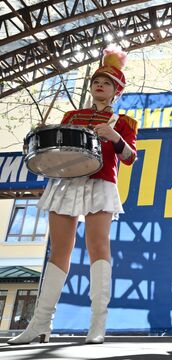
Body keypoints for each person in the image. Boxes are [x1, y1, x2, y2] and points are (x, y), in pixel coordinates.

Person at [8, 45, 138, 345]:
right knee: (59, 252)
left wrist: (115, 138)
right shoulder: (72, 116)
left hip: (100, 183)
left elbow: (131, 157)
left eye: (107, 82)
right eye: (96, 81)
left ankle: (97, 324)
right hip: (67, 183)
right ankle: (40, 324)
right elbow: (58, 151)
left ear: (116, 90)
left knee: (98, 248)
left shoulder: (124, 122)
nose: (100, 85)